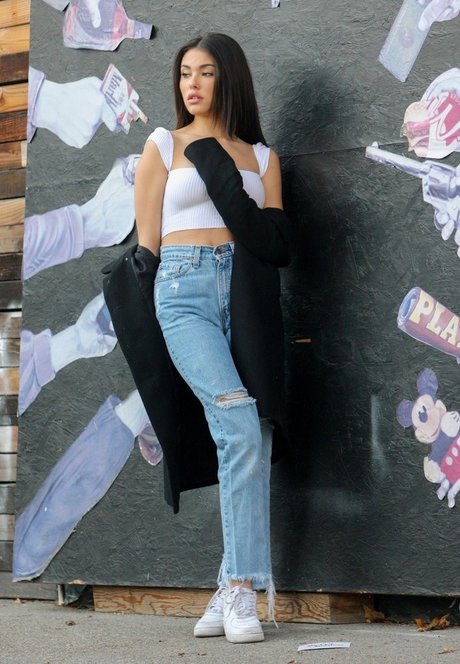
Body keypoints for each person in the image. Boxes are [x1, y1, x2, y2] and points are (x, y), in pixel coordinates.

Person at [130, 32, 292, 644]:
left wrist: (223, 167)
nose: (191, 84)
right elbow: (146, 250)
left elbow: (276, 245)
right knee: (238, 420)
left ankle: (230, 587)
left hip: (246, 299)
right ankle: (245, 588)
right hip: (183, 293)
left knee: (252, 434)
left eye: (204, 72)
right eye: (183, 73)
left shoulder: (262, 159)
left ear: (229, 78)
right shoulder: (162, 146)